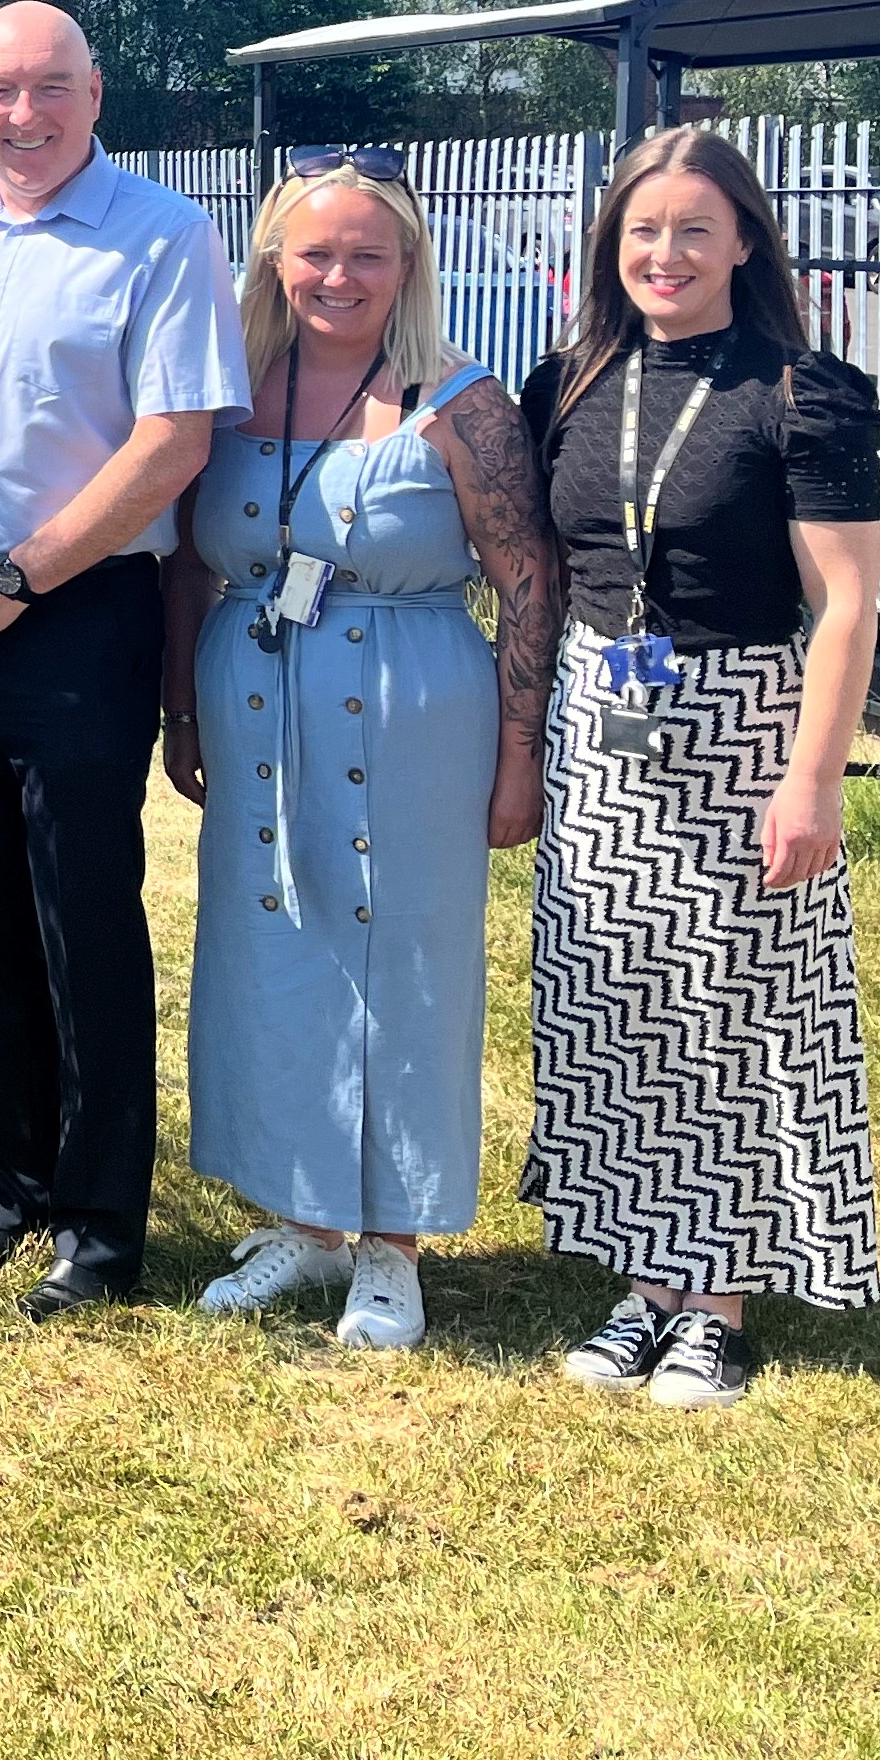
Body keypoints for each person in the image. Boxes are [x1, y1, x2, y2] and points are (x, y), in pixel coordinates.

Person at [0, 1, 245, 1320]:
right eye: (0, 91)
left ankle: (100, 1223)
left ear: (96, 92)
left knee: (81, 916)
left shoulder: (162, 237)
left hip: (75, 618)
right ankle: (10, 1184)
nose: (26, 113)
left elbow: (173, 440)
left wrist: (20, 580)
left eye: (51, 88)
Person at [163, 151, 561, 1351]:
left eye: (366, 255)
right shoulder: (226, 392)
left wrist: (517, 749)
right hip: (255, 706)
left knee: (405, 968)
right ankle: (302, 1216)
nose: (338, 276)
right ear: (278, 258)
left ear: (407, 266)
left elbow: (529, 581)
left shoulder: (459, 403)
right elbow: (188, 563)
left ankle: (392, 1245)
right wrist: (183, 712)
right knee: (270, 946)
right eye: (316, 252)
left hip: (411, 706)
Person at [517, 126, 880, 1410]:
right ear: (611, 251)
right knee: (618, 1007)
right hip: (598, 720)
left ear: (743, 241)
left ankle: (715, 1299)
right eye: (641, 233)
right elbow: (544, 574)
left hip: (740, 725)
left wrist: (813, 780)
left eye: (691, 230)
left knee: (734, 1018)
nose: (664, 255)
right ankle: (637, 1280)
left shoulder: (802, 392)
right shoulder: (564, 385)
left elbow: (846, 605)